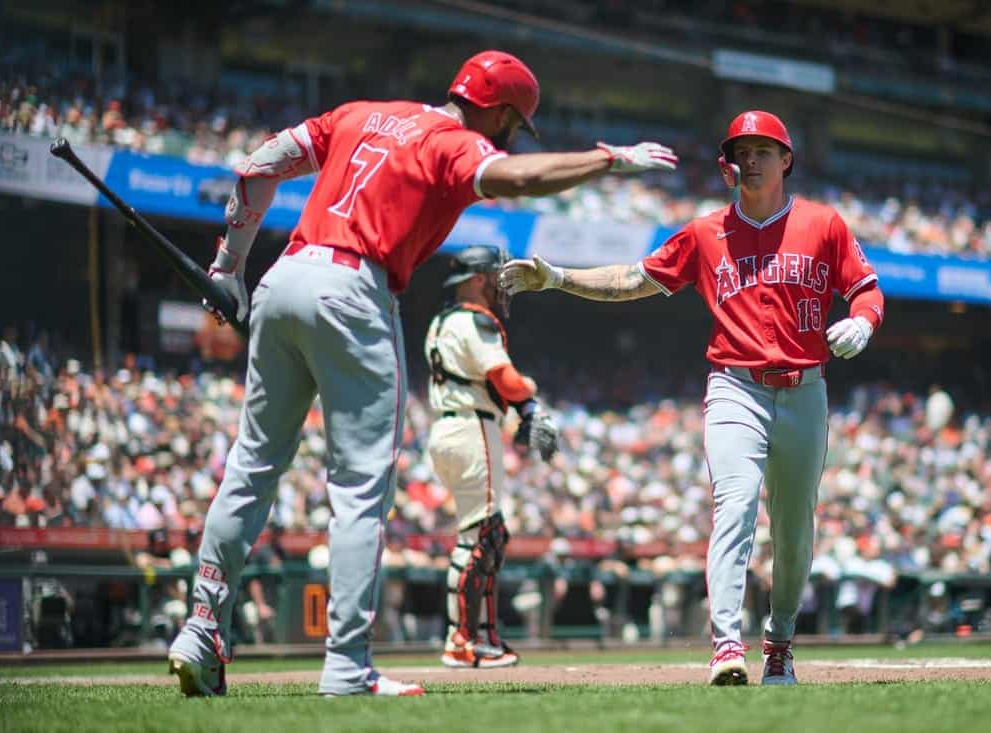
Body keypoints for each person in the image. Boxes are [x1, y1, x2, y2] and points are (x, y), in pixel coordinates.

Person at [167, 49, 677, 698]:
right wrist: (609, 158)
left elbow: (257, 167)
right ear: (496, 112)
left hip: (283, 277)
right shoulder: (455, 144)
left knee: (252, 466)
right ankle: (347, 666)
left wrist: (227, 268)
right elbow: (520, 179)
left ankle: (202, 628)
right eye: (514, 126)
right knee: (357, 488)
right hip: (354, 288)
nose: (510, 137)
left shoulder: (361, 113)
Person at [500, 110, 884, 686]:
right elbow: (635, 279)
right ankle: (727, 645)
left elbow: (867, 290)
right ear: (730, 164)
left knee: (795, 530)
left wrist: (864, 323)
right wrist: (558, 277)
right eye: (741, 150)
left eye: (762, 149)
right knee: (734, 506)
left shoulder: (823, 224)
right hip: (735, 388)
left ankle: (778, 644)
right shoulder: (705, 233)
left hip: (805, 390)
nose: (750, 159)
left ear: (786, 161)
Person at [424, 245, 557, 669]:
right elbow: (505, 378)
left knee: (490, 536)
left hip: (451, 426)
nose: (500, 285)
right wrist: (531, 399)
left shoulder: (441, 322)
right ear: (478, 279)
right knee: (480, 538)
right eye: (493, 276)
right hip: (471, 428)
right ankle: (460, 640)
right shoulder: (475, 320)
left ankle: (481, 638)